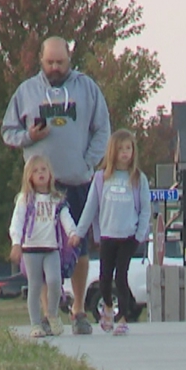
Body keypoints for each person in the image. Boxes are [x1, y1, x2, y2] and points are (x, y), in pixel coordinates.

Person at [2, 36, 111, 335]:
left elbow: (102, 127)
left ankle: (78, 310)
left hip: (77, 181)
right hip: (41, 188)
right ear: (41, 60)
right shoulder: (27, 92)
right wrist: (29, 138)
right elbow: (7, 131)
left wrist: (89, 162)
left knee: (78, 246)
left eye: (60, 62)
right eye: (49, 62)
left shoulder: (86, 88)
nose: (55, 68)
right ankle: (49, 316)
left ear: (69, 59)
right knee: (40, 248)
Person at [71, 129, 151, 336]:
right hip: (108, 235)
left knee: (121, 277)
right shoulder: (101, 178)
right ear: (112, 152)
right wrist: (79, 233)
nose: (125, 153)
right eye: (121, 149)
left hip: (128, 237)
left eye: (129, 148)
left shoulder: (138, 178)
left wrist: (140, 234)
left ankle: (123, 318)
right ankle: (107, 307)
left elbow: (145, 209)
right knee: (105, 279)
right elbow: (90, 208)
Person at [11, 154, 78, 338]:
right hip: (31, 249)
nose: (40, 173)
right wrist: (16, 243)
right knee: (34, 285)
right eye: (35, 171)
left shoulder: (57, 199)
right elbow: (17, 222)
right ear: (29, 176)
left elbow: (66, 218)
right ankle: (35, 324)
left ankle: (52, 314)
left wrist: (73, 233)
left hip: (51, 248)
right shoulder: (26, 199)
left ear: (50, 174)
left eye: (44, 170)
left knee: (55, 281)